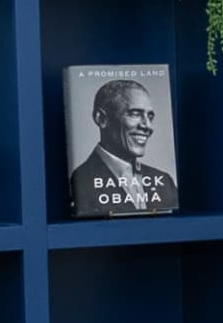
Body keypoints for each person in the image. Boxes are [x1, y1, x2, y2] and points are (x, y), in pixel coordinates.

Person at [69, 75, 179, 217]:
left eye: (150, 117)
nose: (148, 126)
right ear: (101, 119)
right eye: (134, 114)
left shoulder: (165, 182)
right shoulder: (80, 182)